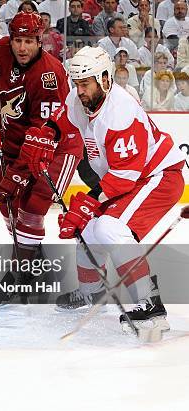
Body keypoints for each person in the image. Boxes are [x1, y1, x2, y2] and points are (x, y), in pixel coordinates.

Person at [38, 46, 185, 332]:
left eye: (85, 84)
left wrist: (86, 204)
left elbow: (123, 178)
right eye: (76, 84)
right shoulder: (81, 96)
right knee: (89, 230)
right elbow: (63, 119)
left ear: (105, 79)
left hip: (158, 177)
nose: (79, 91)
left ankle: (151, 306)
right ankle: (92, 292)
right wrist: (45, 135)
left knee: (109, 229)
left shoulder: (121, 112)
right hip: (128, 178)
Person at [0, 12, 82, 296]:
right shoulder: (2, 50)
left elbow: (42, 137)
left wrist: (16, 175)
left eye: (28, 41)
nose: (22, 48)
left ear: (40, 41)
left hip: (57, 145)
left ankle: (22, 272)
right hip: (18, 141)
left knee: (32, 208)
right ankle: (31, 256)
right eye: (17, 41)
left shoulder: (50, 75)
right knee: (7, 206)